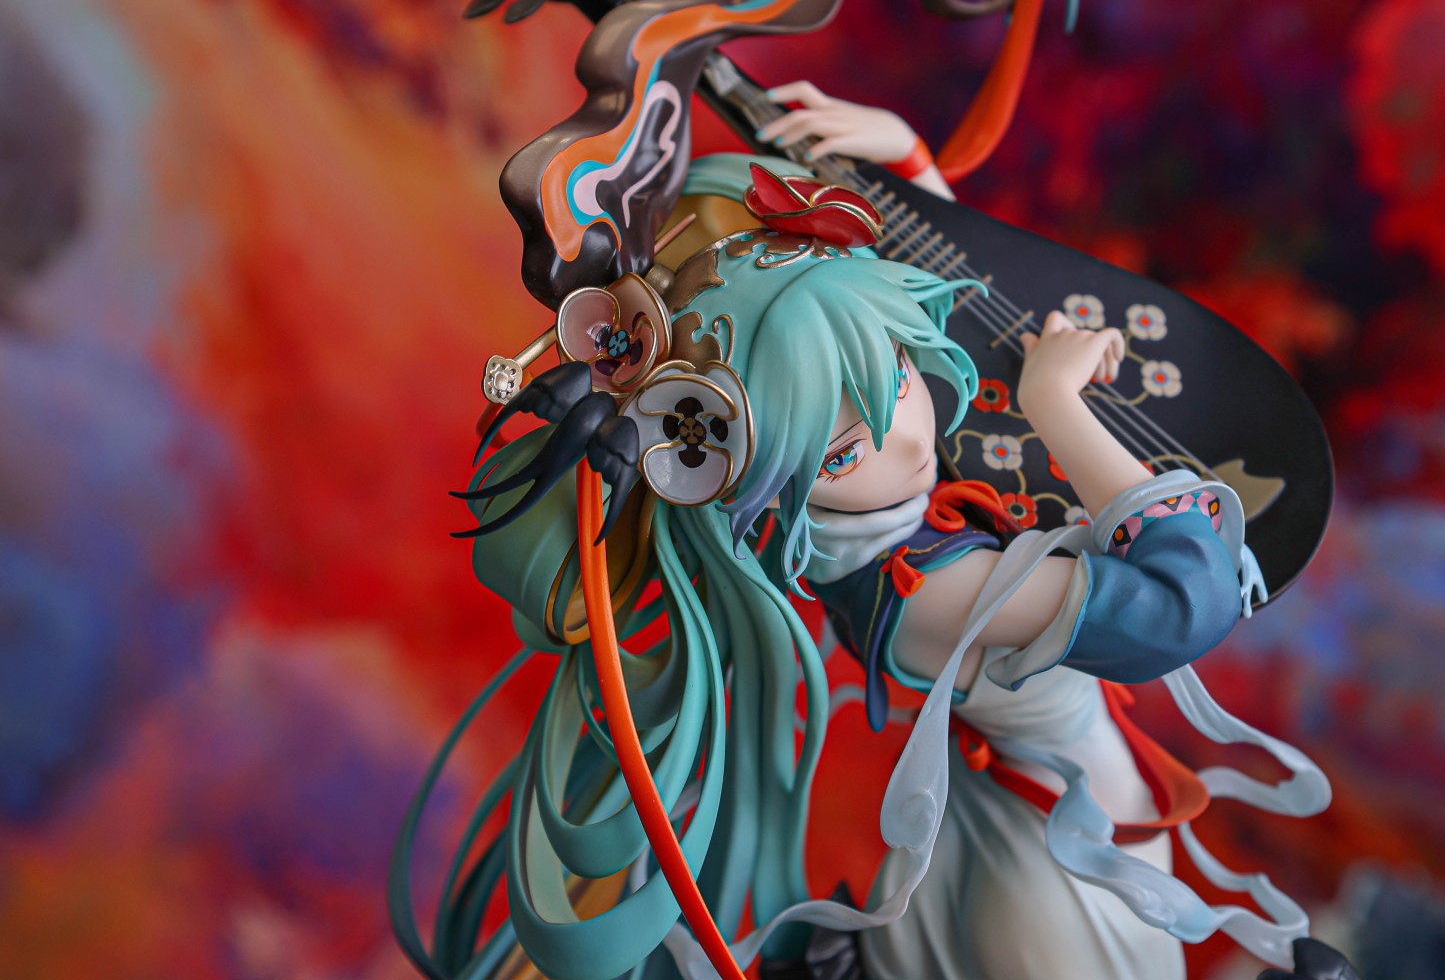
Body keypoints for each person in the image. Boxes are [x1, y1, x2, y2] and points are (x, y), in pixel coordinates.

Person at [404, 83, 1344, 978]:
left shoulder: (881, 513)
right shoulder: (927, 589)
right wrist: (1056, 404)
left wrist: (907, 168)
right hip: (1053, 900)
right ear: (766, 488)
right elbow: (1180, 601)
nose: (911, 433)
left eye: (896, 372)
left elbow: (979, 331)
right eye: (844, 452)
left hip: (1051, 835)